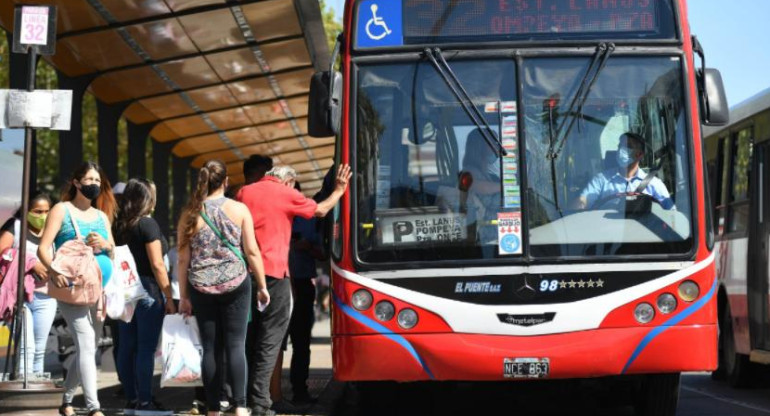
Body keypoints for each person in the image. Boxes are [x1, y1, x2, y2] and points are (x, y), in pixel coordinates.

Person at [237, 163, 351, 416]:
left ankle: (242, 399)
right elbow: (320, 210)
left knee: (248, 340)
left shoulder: (245, 192)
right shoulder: (286, 193)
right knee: (271, 341)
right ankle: (261, 402)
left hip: (245, 275)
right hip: (275, 274)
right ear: (288, 182)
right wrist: (339, 191)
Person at [177, 160, 270, 416]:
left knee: (210, 348)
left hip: (200, 285)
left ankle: (213, 408)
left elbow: (183, 258)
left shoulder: (190, 213)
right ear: (226, 182)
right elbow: (251, 251)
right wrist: (262, 285)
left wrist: (183, 296)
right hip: (236, 283)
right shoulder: (239, 209)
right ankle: (240, 406)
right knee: (236, 345)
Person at [38, 161, 117, 416]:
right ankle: (94, 407)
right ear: (75, 182)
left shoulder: (101, 216)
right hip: (71, 289)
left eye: (97, 181)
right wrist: (54, 271)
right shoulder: (61, 210)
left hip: (97, 291)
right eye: (89, 180)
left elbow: (113, 252)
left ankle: (67, 401)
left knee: (89, 346)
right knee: (85, 342)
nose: (93, 184)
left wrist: (105, 243)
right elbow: (43, 247)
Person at [114, 178, 176, 415]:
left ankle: (131, 398)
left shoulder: (119, 226)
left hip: (125, 290)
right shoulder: (147, 224)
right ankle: (145, 401)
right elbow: (158, 264)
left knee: (127, 346)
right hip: (147, 289)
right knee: (145, 349)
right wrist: (169, 296)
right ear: (146, 198)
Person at [0, 194, 55, 378]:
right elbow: (2, 254)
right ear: (26, 211)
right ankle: (24, 390)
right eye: (38, 212)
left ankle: (36, 388)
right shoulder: (15, 227)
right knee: (26, 346)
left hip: (45, 296)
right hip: (18, 297)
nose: (43, 216)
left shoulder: (52, 230)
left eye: (47, 211)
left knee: (39, 349)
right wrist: (31, 262)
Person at [287, 182, 322, 404]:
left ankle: (300, 389)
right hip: (275, 282)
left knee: (301, 342)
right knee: (268, 342)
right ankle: (263, 393)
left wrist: (307, 247)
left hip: (301, 283)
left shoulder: (310, 219)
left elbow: (323, 253)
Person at [574, 132, 674, 210]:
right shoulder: (601, 180)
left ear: (639, 155)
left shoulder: (654, 184)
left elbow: (671, 215)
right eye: (620, 145)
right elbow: (583, 200)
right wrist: (578, 206)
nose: (621, 149)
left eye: (628, 146)